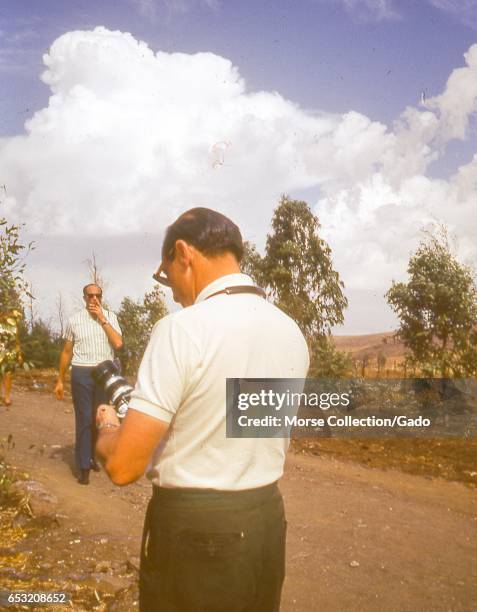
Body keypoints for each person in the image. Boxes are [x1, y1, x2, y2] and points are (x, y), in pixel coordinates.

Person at [95, 208, 309, 612]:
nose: (172, 290)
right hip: (264, 523)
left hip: (195, 534)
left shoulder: (181, 330)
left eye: (166, 275)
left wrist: (107, 427)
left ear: (183, 253)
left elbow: (123, 468)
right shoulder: (290, 331)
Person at [55, 284, 123, 485]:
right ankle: (83, 465)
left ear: (102, 297)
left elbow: (118, 343)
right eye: (90, 296)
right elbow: (67, 351)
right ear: (84, 297)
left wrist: (103, 319)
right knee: (84, 417)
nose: (94, 299)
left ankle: (93, 456)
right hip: (81, 371)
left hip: (104, 372)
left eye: (98, 296)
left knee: (100, 417)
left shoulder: (111, 317)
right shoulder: (74, 320)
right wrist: (60, 379)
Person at [0, 308, 23, 406]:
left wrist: (19, 355)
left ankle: (7, 397)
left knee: (9, 376)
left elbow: (17, 342)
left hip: (10, 354)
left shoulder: (14, 327)